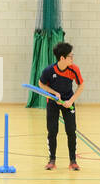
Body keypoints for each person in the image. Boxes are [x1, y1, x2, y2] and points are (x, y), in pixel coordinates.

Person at [36, 41, 83, 171]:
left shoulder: (74, 69)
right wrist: (54, 93)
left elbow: (81, 86)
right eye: (70, 56)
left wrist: (70, 101)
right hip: (53, 102)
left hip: (68, 102)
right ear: (62, 58)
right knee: (52, 131)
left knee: (71, 131)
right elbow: (41, 84)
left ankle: (73, 161)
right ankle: (52, 160)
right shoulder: (49, 71)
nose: (72, 58)